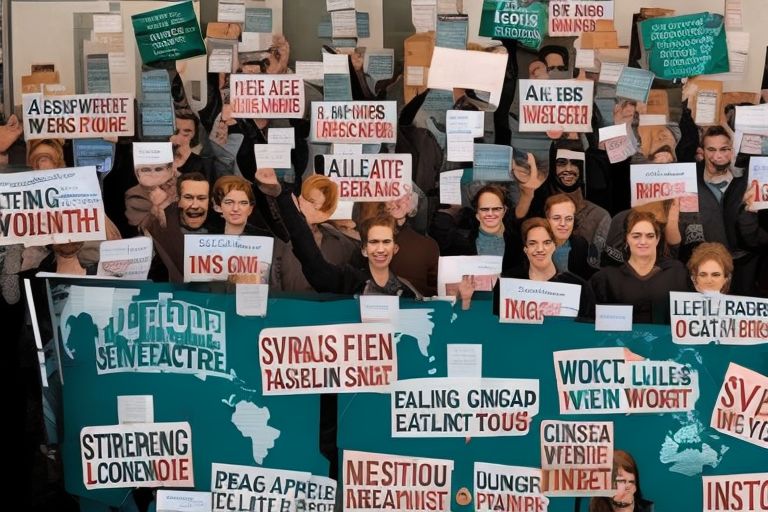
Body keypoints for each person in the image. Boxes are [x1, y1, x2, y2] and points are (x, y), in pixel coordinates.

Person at [259, 168, 421, 297]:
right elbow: (309, 255)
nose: (380, 248)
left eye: (386, 242)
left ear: (395, 248)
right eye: (373, 242)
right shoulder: (348, 280)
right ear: (364, 249)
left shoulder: (405, 291)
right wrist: (282, 197)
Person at [591, 210, 688, 324]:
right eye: (636, 236)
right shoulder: (607, 278)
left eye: (650, 236)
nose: (643, 241)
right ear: (627, 239)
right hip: (623, 341)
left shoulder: (677, 273)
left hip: (663, 340)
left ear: (657, 239)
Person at [271, 175, 359, 292]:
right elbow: (272, 278)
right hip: (289, 305)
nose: (315, 208)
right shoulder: (281, 236)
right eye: (311, 201)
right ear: (300, 198)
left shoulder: (341, 243)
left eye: (321, 206)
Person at [493, 218, 595, 319]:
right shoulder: (506, 283)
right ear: (525, 249)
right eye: (532, 243)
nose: (540, 249)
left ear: (554, 246)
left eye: (546, 243)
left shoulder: (579, 286)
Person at [387, 191, 440, 297]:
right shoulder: (362, 240)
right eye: (389, 195)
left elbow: (435, 292)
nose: (395, 201)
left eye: (402, 196)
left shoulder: (427, 246)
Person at [545, 194, 596, 280]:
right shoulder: (535, 245)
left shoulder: (580, 244)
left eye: (568, 219)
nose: (563, 224)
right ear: (547, 219)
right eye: (556, 218)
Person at [588, 450, 653, 512]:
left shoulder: (646, 508)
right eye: (621, 481)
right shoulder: (598, 505)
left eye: (631, 482)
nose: (628, 487)